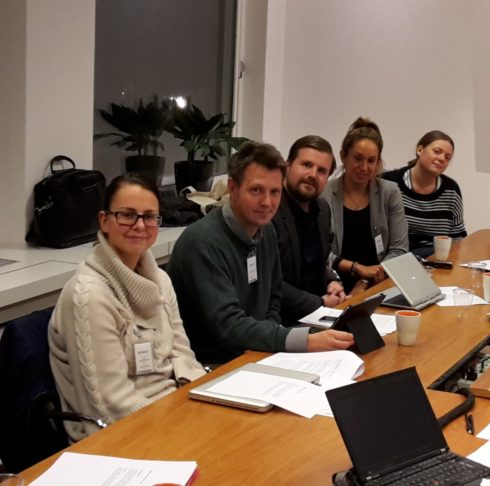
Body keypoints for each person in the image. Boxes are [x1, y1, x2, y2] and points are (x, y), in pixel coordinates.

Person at [48, 174, 207, 441]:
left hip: (174, 414)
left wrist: (202, 409)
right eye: (127, 215)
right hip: (119, 436)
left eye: (149, 216)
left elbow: (184, 358)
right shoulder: (90, 296)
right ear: (104, 221)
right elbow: (111, 404)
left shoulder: (160, 281)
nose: (140, 225)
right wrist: (176, 426)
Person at [169, 142, 354, 365]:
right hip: (212, 364)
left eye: (274, 192)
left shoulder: (265, 230)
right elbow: (228, 327)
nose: (267, 202)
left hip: (256, 352)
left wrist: (272, 336)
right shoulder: (201, 242)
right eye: (256, 190)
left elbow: (274, 296)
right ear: (232, 188)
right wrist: (302, 340)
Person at [321, 117, 409, 293]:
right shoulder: (324, 194)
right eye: (357, 158)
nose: (364, 167)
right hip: (333, 286)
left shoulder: (390, 193)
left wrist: (365, 281)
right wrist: (356, 269)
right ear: (343, 156)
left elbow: (399, 250)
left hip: (378, 283)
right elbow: (320, 253)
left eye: (371, 161)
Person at [272, 135, 347, 322]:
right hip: (281, 320)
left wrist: (332, 281)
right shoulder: (269, 209)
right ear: (288, 165)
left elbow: (319, 263)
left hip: (318, 315)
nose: (313, 175)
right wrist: (319, 303)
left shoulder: (322, 209)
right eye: (306, 165)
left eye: (321, 171)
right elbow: (269, 282)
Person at [381, 130, 466, 256]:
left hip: (436, 259)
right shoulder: (389, 181)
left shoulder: (451, 190)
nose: (442, 158)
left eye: (447, 157)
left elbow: (458, 238)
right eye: (437, 151)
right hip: (394, 256)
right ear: (420, 150)